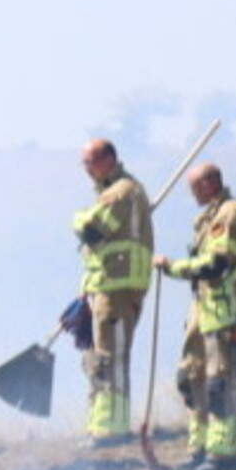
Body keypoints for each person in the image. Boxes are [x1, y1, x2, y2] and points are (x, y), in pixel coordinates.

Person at [159, 162, 236, 470]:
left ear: (209, 184)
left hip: (228, 310)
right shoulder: (209, 218)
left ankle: (223, 451)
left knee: (220, 382)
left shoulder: (231, 214)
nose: (192, 194)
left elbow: (216, 264)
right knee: (191, 376)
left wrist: (172, 267)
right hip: (204, 309)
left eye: (194, 188)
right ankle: (199, 447)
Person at [67, 138, 157, 443]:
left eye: (90, 161)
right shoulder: (113, 192)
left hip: (118, 286)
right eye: (84, 162)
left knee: (111, 357)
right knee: (98, 357)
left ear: (108, 159)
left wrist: (78, 218)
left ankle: (113, 428)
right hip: (105, 284)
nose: (86, 168)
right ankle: (100, 422)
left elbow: (92, 231)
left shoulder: (122, 191)